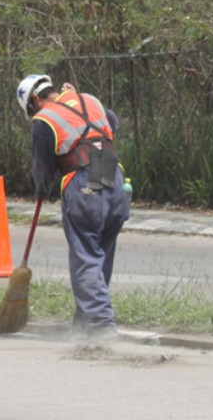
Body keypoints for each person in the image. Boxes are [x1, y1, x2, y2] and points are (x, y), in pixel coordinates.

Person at [16, 74, 131, 340]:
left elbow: (42, 167)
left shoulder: (44, 120)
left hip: (83, 182)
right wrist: (76, 99)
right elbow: (109, 123)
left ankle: (102, 326)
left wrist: (41, 190)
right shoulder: (89, 99)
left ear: (34, 100)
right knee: (100, 253)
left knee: (86, 258)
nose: (33, 115)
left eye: (31, 110)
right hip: (114, 179)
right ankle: (84, 325)